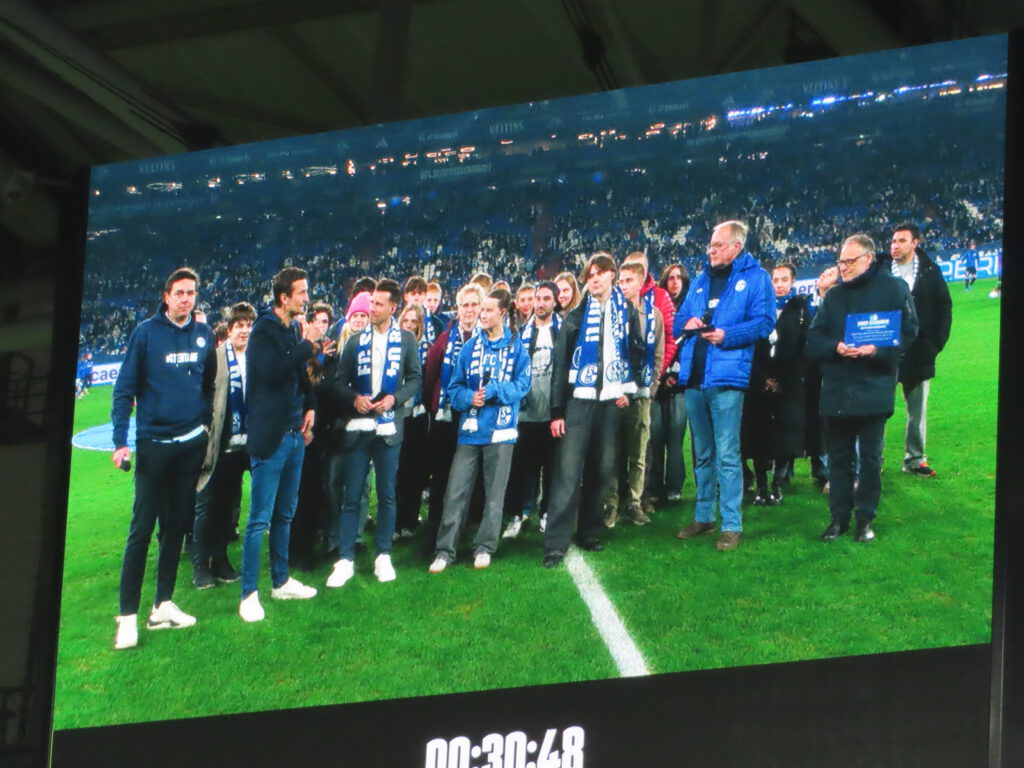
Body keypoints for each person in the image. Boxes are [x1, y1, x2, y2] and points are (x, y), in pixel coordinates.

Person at [111, 267, 216, 650]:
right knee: (141, 531)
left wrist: (204, 426)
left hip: (190, 446)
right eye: (179, 292)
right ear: (166, 296)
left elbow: (208, 385)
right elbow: (124, 390)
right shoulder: (145, 334)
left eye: (191, 293)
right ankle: (127, 617)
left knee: (175, 528)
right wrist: (120, 441)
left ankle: (163, 605)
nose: (186, 298)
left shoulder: (203, 334)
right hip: (154, 446)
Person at [808, 234, 918, 543]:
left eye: (849, 261)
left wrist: (877, 351)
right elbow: (814, 340)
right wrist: (836, 347)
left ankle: (865, 519)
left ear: (868, 259)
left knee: (870, 460)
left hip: (873, 387)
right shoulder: (833, 297)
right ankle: (838, 519)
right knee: (839, 459)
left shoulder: (895, 289)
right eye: (840, 261)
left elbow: (909, 332)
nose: (842, 267)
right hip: (837, 391)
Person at [672, 221, 774, 551]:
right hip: (694, 377)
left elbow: (764, 323)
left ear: (735, 247)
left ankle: (731, 525)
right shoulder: (701, 279)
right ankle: (704, 516)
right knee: (702, 453)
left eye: (717, 245)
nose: (711, 250)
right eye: (711, 245)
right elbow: (677, 322)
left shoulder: (756, 278)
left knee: (728, 454)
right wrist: (687, 323)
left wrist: (728, 336)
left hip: (727, 378)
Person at [542, 253, 645, 568]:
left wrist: (628, 388)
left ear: (612, 275)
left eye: (600, 273)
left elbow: (636, 351)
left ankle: (588, 531)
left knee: (601, 471)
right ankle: (555, 544)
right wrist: (558, 411)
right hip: (579, 402)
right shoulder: (576, 315)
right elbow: (561, 365)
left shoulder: (627, 311)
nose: (595, 279)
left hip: (610, 402)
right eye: (590, 275)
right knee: (568, 473)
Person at [239, 267, 329, 622]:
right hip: (272, 436)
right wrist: (307, 344)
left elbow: (300, 374)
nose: (306, 298)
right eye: (301, 292)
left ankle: (280, 581)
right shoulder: (263, 330)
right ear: (283, 297)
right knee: (259, 519)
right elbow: (274, 373)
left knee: (285, 514)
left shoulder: (292, 328)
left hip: (295, 434)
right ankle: (248, 594)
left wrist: (311, 406)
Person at [326, 278, 423, 588]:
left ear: (393, 308)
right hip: (359, 429)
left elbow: (415, 379)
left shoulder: (406, 340)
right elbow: (339, 383)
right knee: (352, 495)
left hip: (389, 429)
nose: (372, 308)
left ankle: (383, 555)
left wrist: (395, 399)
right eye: (371, 303)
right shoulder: (355, 341)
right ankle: (345, 559)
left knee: (387, 494)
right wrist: (354, 399)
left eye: (378, 304)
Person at [429, 289, 531, 571]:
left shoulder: (517, 348)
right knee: (455, 491)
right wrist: (468, 398)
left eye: (487, 310)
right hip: (470, 431)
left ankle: (484, 547)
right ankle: (444, 551)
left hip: (501, 431)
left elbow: (523, 385)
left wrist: (497, 390)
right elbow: (454, 388)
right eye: (480, 310)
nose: (481, 315)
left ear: (502, 313)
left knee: (494, 494)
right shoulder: (469, 348)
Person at [192, 302, 256, 590]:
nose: (244, 331)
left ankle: (220, 561)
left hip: (243, 445)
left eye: (248, 325)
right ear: (229, 330)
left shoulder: (254, 358)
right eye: (239, 325)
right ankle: (200, 567)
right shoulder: (216, 357)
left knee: (228, 506)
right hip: (218, 444)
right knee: (207, 506)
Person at [741, 263, 810, 505]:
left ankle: (777, 484)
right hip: (760, 386)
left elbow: (803, 351)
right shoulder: (759, 310)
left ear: (792, 282)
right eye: (776, 280)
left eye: (784, 280)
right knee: (758, 435)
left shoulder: (800, 311)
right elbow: (751, 348)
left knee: (785, 437)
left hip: (788, 387)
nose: (779, 285)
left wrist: (782, 381)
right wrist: (764, 379)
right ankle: (761, 485)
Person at [604, 260, 664, 527]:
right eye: (620, 281)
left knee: (638, 453)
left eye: (629, 280)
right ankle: (611, 504)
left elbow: (658, 355)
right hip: (614, 396)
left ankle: (635, 502)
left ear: (641, 282)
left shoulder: (653, 315)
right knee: (612, 452)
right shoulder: (610, 313)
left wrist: (649, 390)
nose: (623, 286)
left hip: (640, 395)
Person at [890, 224, 952, 477]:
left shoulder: (930, 271)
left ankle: (915, 460)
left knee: (917, 412)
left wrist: (934, 345)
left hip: (919, 353)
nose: (895, 245)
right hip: (886, 352)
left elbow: (944, 308)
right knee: (876, 411)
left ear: (915, 243)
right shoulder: (881, 271)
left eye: (901, 241)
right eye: (893, 241)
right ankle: (873, 461)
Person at [423, 283, 484, 536]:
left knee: (476, 472)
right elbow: (430, 376)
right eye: (464, 305)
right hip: (446, 415)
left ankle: (472, 522)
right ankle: (436, 523)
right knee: (442, 471)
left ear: (481, 308)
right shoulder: (445, 339)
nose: (469, 310)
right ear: (457, 309)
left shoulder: (489, 337)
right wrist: (436, 404)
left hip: (478, 414)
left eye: (474, 305)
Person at [503, 280, 560, 537]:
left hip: (553, 414)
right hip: (526, 415)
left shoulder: (563, 330)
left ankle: (547, 512)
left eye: (546, 299)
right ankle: (517, 515)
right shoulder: (521, 333)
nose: (540, 303)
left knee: (552, 469)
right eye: (538, 298)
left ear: (555, 302)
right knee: (522, 469)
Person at [646, 263, 691, 508]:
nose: (675, 282)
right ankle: (654, 487)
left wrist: (676, 374)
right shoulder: (657, 305)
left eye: (679, 277)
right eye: (670, 278)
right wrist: (662, 375)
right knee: (655, 436)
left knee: (675, 436)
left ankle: (674, 486)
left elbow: (687, 344)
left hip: (679, 385)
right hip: (659, 381)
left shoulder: (690, 307)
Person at [394, 303, 432, 537]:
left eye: (414, 322)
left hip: (418, 416)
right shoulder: (392, 346)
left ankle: (410, 518)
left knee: (415, 469)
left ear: (420, 326)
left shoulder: (426, 349)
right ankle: (395, 522)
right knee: (398, 470)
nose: (408, 325)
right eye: (405, 320)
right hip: (397, 415)